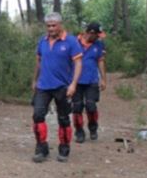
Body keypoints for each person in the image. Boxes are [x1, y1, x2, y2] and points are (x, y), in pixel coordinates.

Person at [31, 12, 83, 163]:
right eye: (48, 26)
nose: (51, 28)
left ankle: (64, 148)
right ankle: (41, 148)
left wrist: (73, 84)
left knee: (63, 118)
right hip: (43, 85)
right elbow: (38, 62)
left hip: (63, 86)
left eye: (53, 25)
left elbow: (78, 63)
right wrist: (34, 80)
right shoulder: (42, 41)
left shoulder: (71, 42)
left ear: (60, 25)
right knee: (38, 115)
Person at [73, 22, 107, 143]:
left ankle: (93, 128)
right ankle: (79, 131)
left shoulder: (99, 44)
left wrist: (103, 79)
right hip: (75, 81)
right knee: (77, 107)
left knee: (91, 106)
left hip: (92, 80)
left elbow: (100, 61)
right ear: (91, 33)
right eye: (97, 35)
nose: (99, 37)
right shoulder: (73, 42)